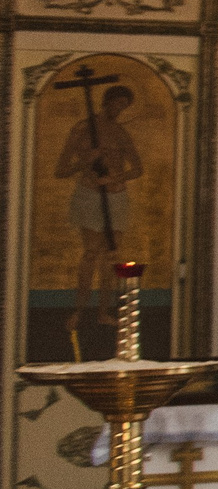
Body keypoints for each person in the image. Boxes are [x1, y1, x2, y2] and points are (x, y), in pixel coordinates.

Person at [56, 82, 143, 327]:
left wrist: (114, 177)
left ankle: (104, 312)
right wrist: (85, 163)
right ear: (107, 101)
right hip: (90, 195)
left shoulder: (120, 133)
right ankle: (78, 311)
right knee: (91, 253)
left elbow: (137, 168)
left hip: (115, 196)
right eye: (117, 103)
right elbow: (61, 170)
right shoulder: (83, 129)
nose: (120, 109)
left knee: (111, 256)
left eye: (124, 106)